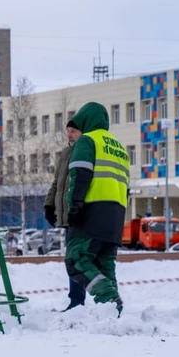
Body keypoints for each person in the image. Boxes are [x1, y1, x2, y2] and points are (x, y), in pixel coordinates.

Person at [64, 102, 128, 316]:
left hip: (92, 212)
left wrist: (74, 208)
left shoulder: (87, 140)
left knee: (76, 260)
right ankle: (113, 311)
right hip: (116, 216)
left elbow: (80, 177)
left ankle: (109, 298)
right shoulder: (119, 147)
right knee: (105, 264)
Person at [45, 121, 87, 310]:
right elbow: (57, 184)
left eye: (74, 131)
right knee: (73, 259)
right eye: (68, 131)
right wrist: (49, 205)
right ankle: (76, 301)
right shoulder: (65, 153)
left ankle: (78, 302)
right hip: (68, 218)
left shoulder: (85, 151)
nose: (69, 135)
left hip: (79, 216)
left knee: (76, 259)